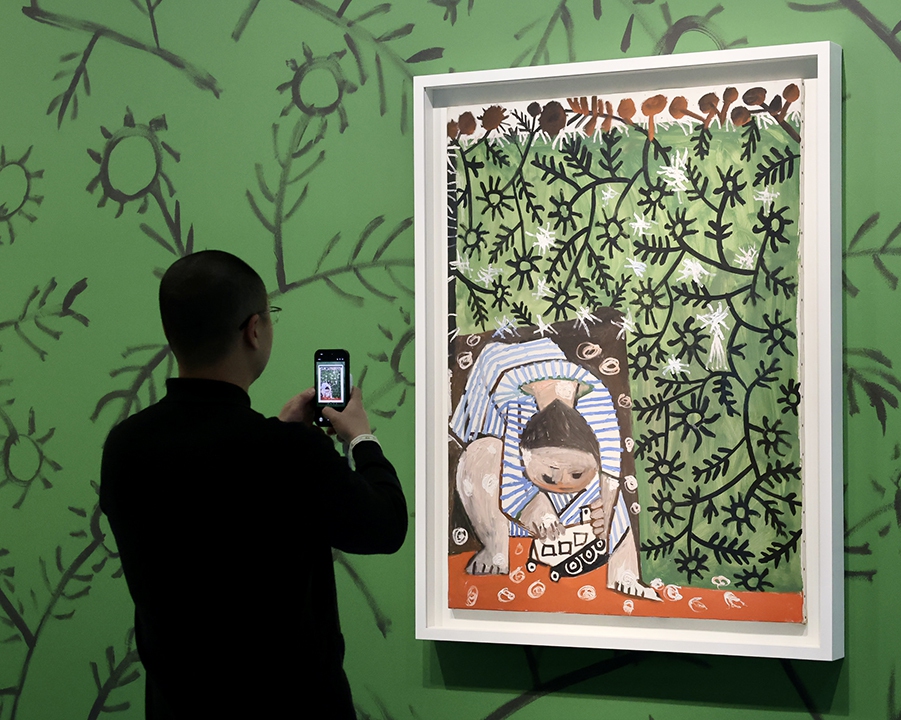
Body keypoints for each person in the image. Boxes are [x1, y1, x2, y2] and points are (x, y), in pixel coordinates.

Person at [100, 250, 407, 719]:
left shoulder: (126, 446)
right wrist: (361, 438)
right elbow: (385, 526)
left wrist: (283, 435)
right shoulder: (287, 454)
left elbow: (212, 508)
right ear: (254, 330)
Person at [450, 336, 658, 600]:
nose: (562, 482)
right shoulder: (516, 404)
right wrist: (534, 508)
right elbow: (511, 488)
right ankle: (495, 549)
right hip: (508, 497)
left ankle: (624, 573)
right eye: (549, 475)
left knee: (615, 505)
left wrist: (605, 511)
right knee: (481, 453)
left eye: (575, 474)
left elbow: (610, 474)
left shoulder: (598, 402)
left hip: (569, 508)